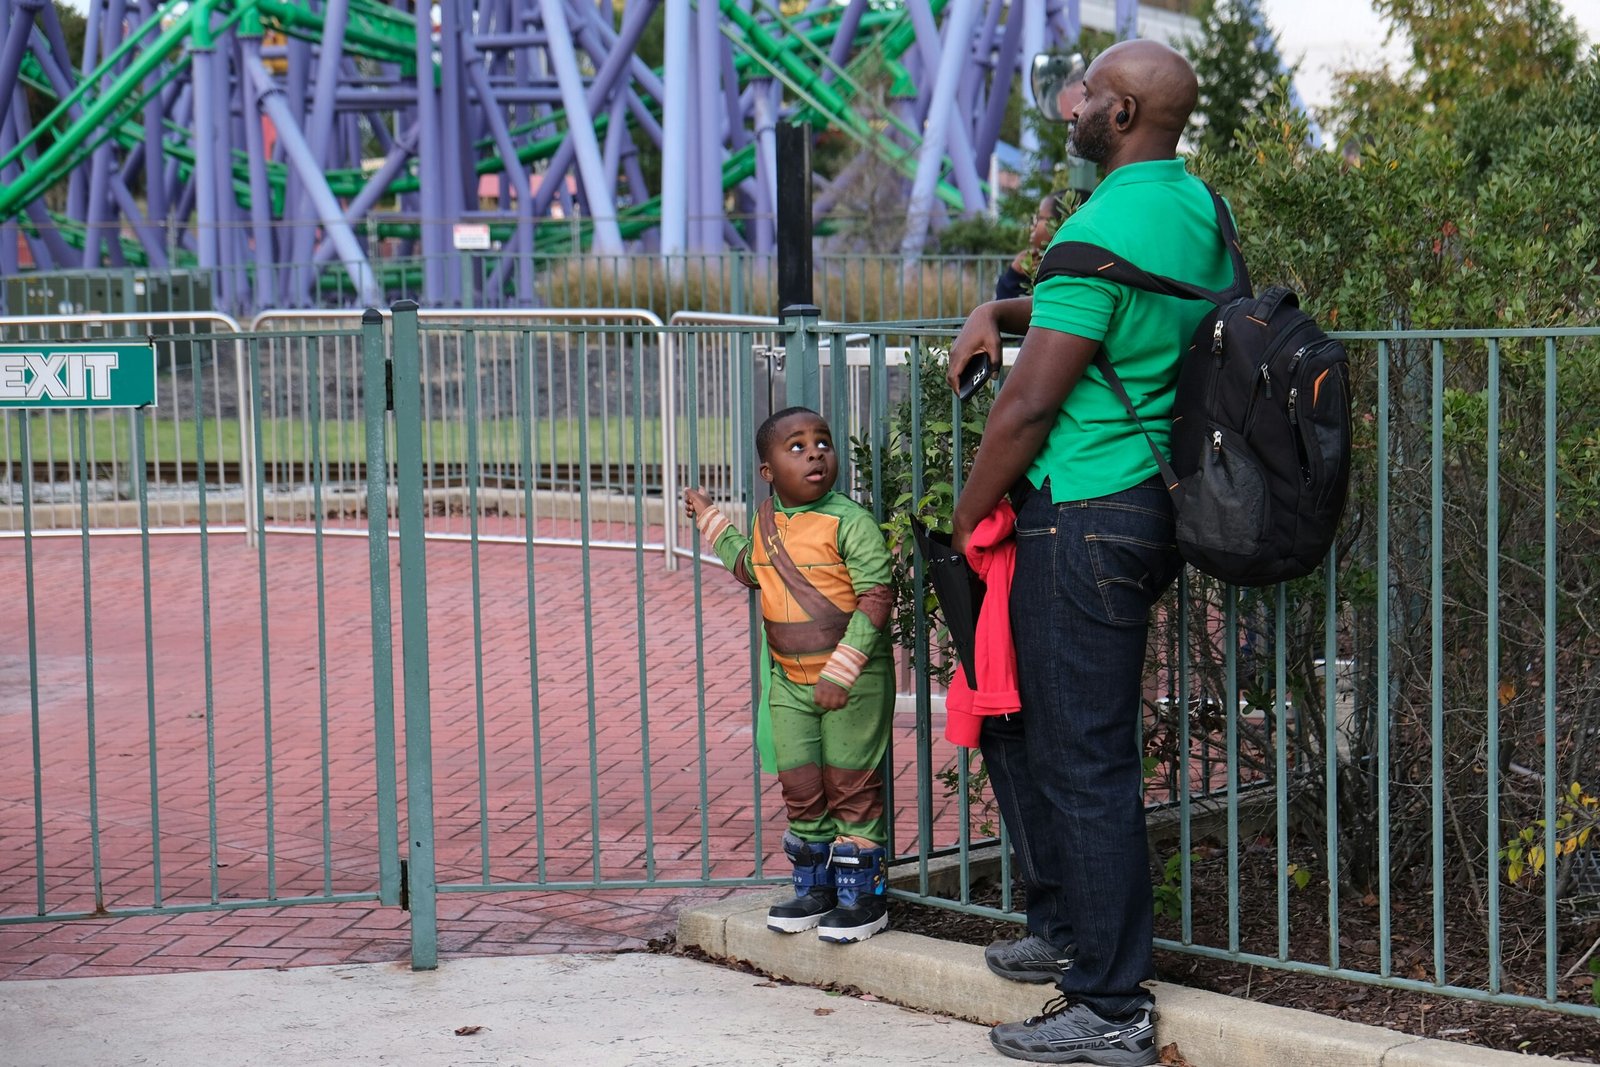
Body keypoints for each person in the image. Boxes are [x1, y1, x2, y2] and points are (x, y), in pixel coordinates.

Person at [944, 40, 1234, 1066]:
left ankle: (1108, 1004)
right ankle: (1068, 935)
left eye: (1085, 94)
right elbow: (1118, 299)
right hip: (1150, 507)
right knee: (1069, 745)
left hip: (1080, 514)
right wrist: (1001, 307)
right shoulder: (1197, 210)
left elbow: (1027, 403)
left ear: (1118, 114)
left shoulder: (1098, 221)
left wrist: (962, 515)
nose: (1069, 104)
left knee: (1082, 762)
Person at [683, 407, 896, 944]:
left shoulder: (851, 521)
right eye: (796, 447)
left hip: (851, 684)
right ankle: (816, 888)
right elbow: (749, 567)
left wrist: (842, 671)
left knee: (851, 787)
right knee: (802, 789)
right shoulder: (766, 521)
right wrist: (710, 517)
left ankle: (862, 899)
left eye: (822, 442)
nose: (815, 453)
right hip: (788, 683)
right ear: (768, 471)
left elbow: (876, 596)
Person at [994, 191, 1068, 300]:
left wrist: (1012, 279)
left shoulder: (1060, 272)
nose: (1033, 226)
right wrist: (1014, 275)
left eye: (1040, 218)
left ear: (1059, 223)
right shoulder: (1028, 266)